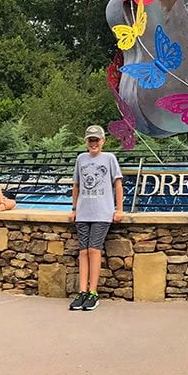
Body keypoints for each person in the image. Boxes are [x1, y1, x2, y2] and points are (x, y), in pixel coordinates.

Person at [69, 125, 124, 311]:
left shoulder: (109, 159)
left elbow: (118, 184)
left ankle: (93, 292)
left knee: (94, 249)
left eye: (97, 140)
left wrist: (119, 209)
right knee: (83, 252)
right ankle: (82, 291)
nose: (94, 143)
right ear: (86, 142)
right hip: (84, 212)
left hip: (102, 212)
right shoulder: (80, 159)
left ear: (103, 141)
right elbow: (76, 185)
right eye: (91, 140)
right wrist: (74, 208)